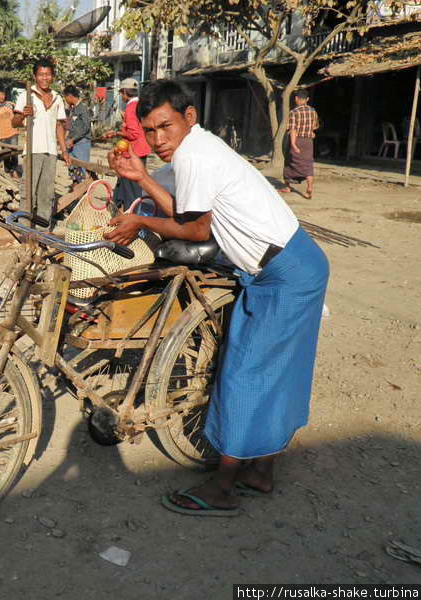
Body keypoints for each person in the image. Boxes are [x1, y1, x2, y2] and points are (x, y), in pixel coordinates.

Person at [106, 80, 329, 517]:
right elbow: (185, 212)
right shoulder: (197, 149)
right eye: (149, 131)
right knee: (278, 369)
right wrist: (142, 177)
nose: (158, 139)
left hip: (286, 273)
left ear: (190, 117)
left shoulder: (196, 154)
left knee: (244, 374)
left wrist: (138, 226)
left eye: (166, 126)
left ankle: (224, 488)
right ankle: (260, 471)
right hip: (287, 266)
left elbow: (194, 230)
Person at [12, 58, 70, 227]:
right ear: (35, 76)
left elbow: (59, 126)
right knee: (28, 193)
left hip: (51, 152)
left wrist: (64, 151)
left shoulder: (58, 98)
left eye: (47, 75)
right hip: (32, 150)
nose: (44, 78)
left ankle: (43, 232)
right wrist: (23, 114)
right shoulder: (26, 96)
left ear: (52, 77)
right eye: (40, 75)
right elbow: (14, 122)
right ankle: (24, 231)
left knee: (47, 194)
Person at [104, 78, 150, 210]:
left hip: (133, 153)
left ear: (124, 92)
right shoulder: (140, 104)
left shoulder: (130, 107)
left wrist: (117, 133)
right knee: (126, 185)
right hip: (142, 150)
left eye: (121, 93)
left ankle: (132, 220)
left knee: (132, 191)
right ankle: (118, 209)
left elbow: (133, 134)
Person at [280, 89, 319, 199]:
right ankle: (309, 188)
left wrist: (293, 144)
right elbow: (315, 126)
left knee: (289, 162)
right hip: (308, 142)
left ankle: (287, 187)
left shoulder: (294, 112)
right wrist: (310, 132)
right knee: (308, 164)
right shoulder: (313, 111)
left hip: (297, 140)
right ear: (307, 99)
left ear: (296, 99)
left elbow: (293, 129)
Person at [63, 85, 92, 187]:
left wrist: (73, 139)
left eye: (65, 97)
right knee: (73, 168)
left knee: (81, 169)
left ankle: (82, 194)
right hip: (73, 144)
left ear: (70, 96)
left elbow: (86, 127)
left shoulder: (82, 108)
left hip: (81, 143)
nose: (65, 100)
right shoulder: (73, 109)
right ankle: (76, 192)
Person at [0, 88, 20, 177]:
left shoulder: (10, 105)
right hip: (2, 134)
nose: (2, 96)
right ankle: (8, 170)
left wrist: (14, 104)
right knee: (5, 153)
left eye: (3, 94)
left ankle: (14, 170)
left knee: (14, 151)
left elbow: (19, 112)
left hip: (13, 132)